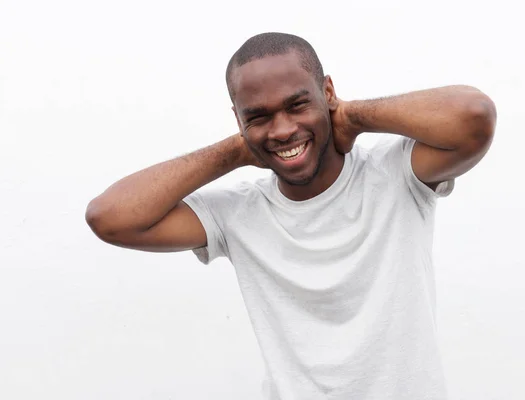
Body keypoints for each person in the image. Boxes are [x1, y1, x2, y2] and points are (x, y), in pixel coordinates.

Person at [85, 32, 496, 400]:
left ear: (327, 92)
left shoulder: (396, 175)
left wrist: (352, 116)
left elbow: (473, 116)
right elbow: (110, 217)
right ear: (238, 119)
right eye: (258, 116)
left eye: (298, 105)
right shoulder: (236, 215)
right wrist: (239, 149)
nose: (282, 130)